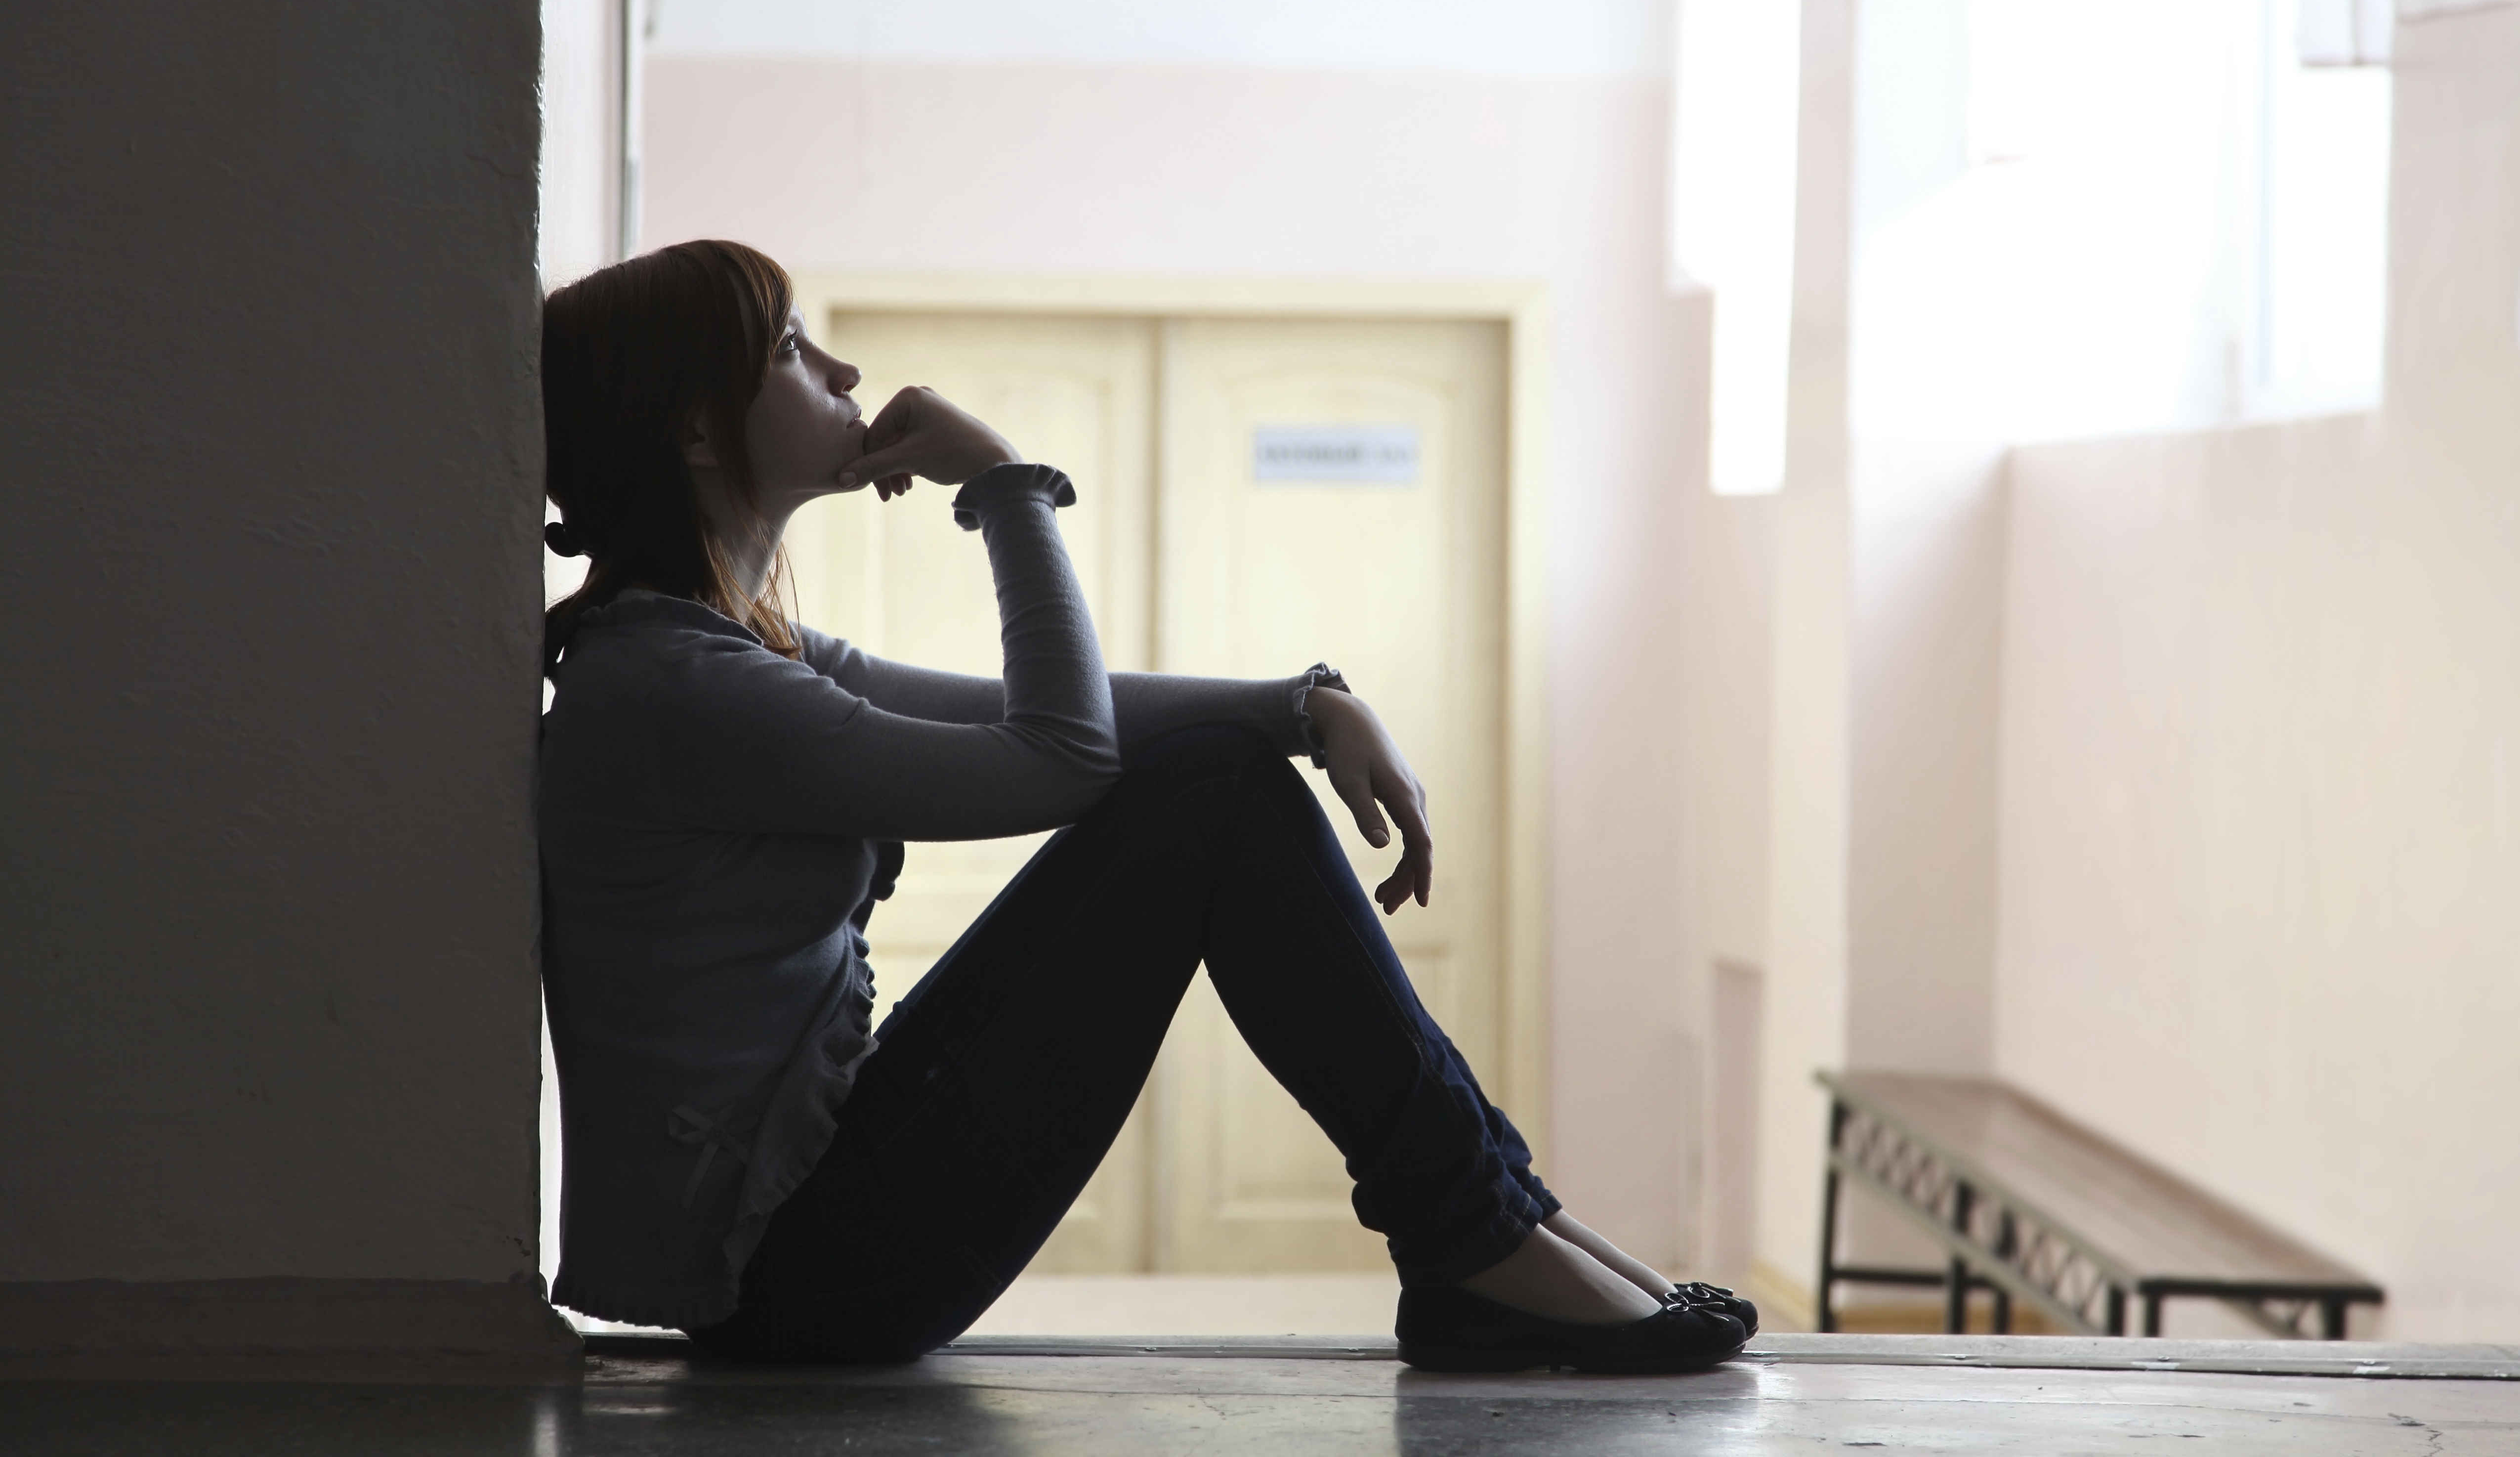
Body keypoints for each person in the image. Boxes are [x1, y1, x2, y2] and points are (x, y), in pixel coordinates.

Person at [536, 239, 1756, 1371]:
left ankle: (1497, 1221)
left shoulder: (724, 657)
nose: (844, 369)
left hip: (814, 1232)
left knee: (1225, 772)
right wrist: (1006, 485)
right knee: (1216, 796)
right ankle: (1478, 1239)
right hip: (794, 1276)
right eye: (793, 347)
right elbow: (1062, 752)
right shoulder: (676, 688)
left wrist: (1306, 703)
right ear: (698, 432)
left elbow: (1033, 715)